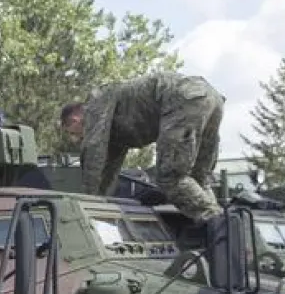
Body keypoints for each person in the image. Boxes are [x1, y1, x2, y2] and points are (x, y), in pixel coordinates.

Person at [60, 71, 225, 222]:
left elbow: (93, 152)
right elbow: (107, 171)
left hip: (183, 98)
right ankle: (226, 228)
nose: (76, 139)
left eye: (72, 133)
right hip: (209, 97)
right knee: (198, 180)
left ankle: (216, 222)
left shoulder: (95, 105)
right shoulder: (115, 127)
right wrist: (100, 200)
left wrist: (87, 208)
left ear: (74, 119)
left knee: (171, 177)